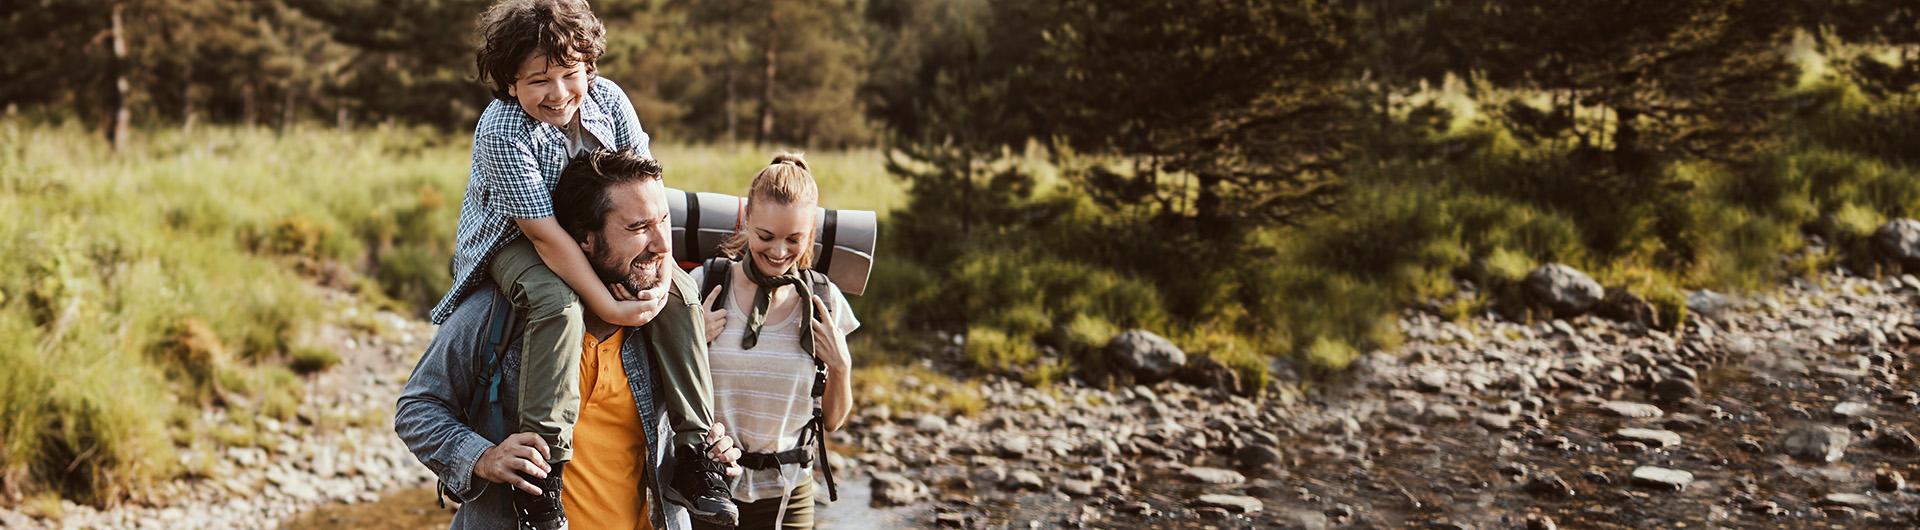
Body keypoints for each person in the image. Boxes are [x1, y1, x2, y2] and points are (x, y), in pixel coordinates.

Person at [429, 0, 734, 527]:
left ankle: (692, 452)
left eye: (570, 74)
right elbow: (546, 238)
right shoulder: (501, 129)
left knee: (682, 294)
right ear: (509, 84)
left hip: (592, 233)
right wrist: (608, 306)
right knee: (559, 302)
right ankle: (544, 471)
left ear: (589, 67)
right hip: (514, 241)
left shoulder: (609, 100)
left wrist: (660, 277)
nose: (559, 92)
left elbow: (646, 183)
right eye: (538, 80)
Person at [399, 148, 738, 530]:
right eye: (638, 228)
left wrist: (709, 451)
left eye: (663, 221)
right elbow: (417, 407)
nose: (662, 244)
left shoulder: (664, 322)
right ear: (585, 239)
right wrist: (485, 458)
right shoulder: (499, 312)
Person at [692, 154, 860, 529]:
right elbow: (657, 392)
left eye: (794, 240)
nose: (779, 252)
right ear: (747, 220)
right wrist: (689, 343)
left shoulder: (825, 301)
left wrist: (840, 365)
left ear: (810, 232)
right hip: (708, 485)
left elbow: (832, 421)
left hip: (789, 493)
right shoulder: (706, 285)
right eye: (765, 236)